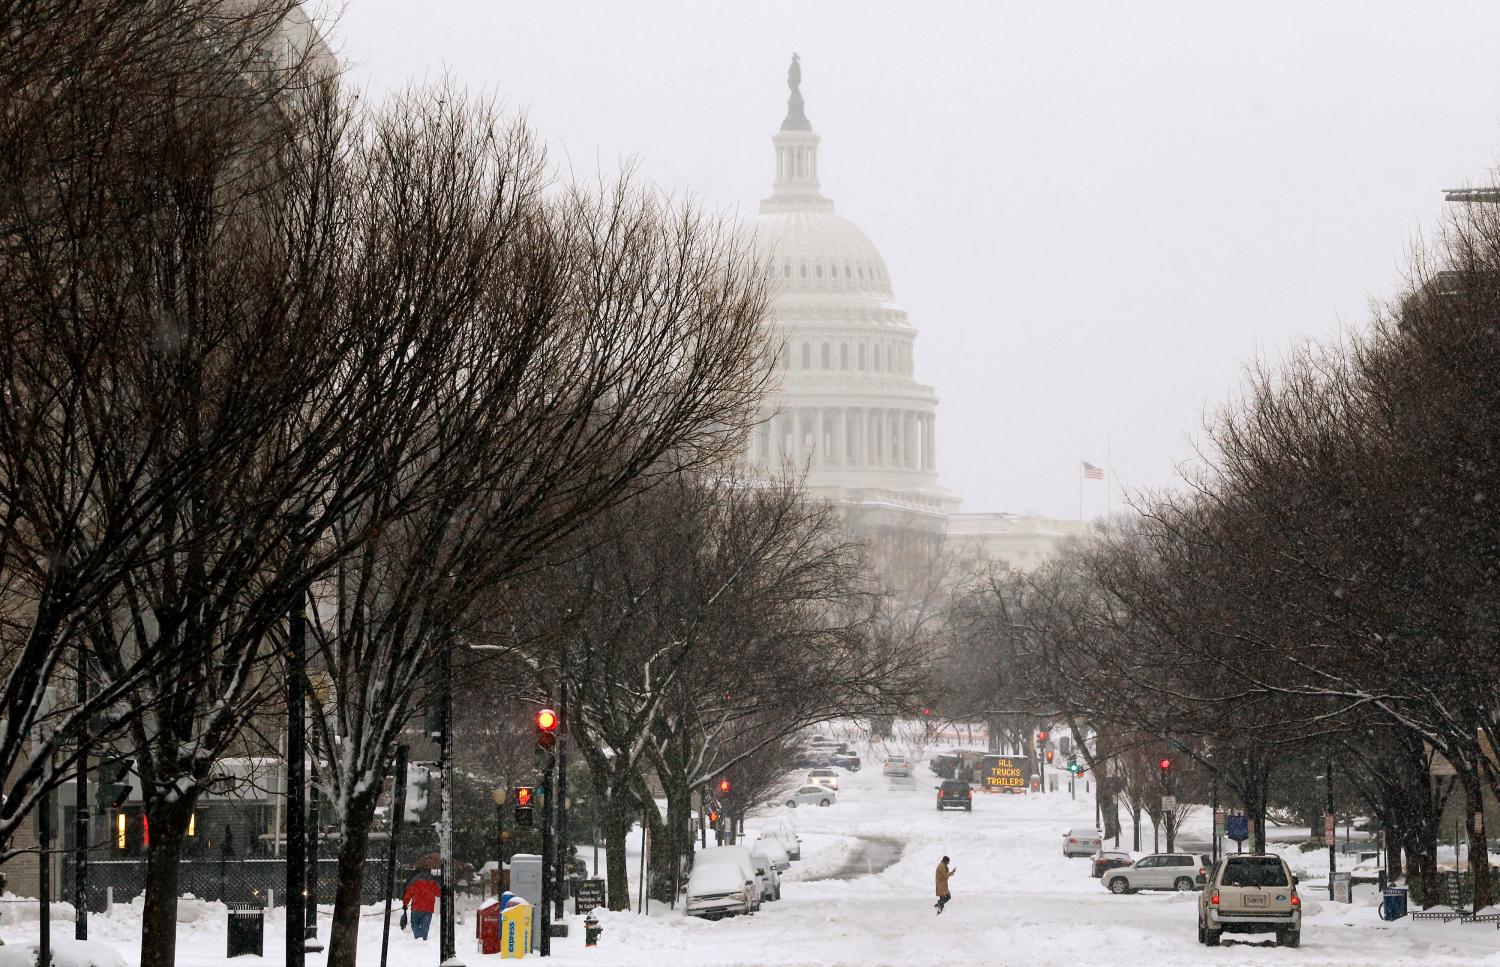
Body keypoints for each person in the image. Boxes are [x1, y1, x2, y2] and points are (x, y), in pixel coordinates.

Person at [402, 868, 441, 941]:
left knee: (414, 924)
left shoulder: (414, 880)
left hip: (416, 907)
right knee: (425, 927)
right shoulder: (433, 881)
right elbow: (438, 893)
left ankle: (418, 938)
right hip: (428, 909)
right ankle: (423, 940)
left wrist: (405, 903)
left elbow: (408, 892)